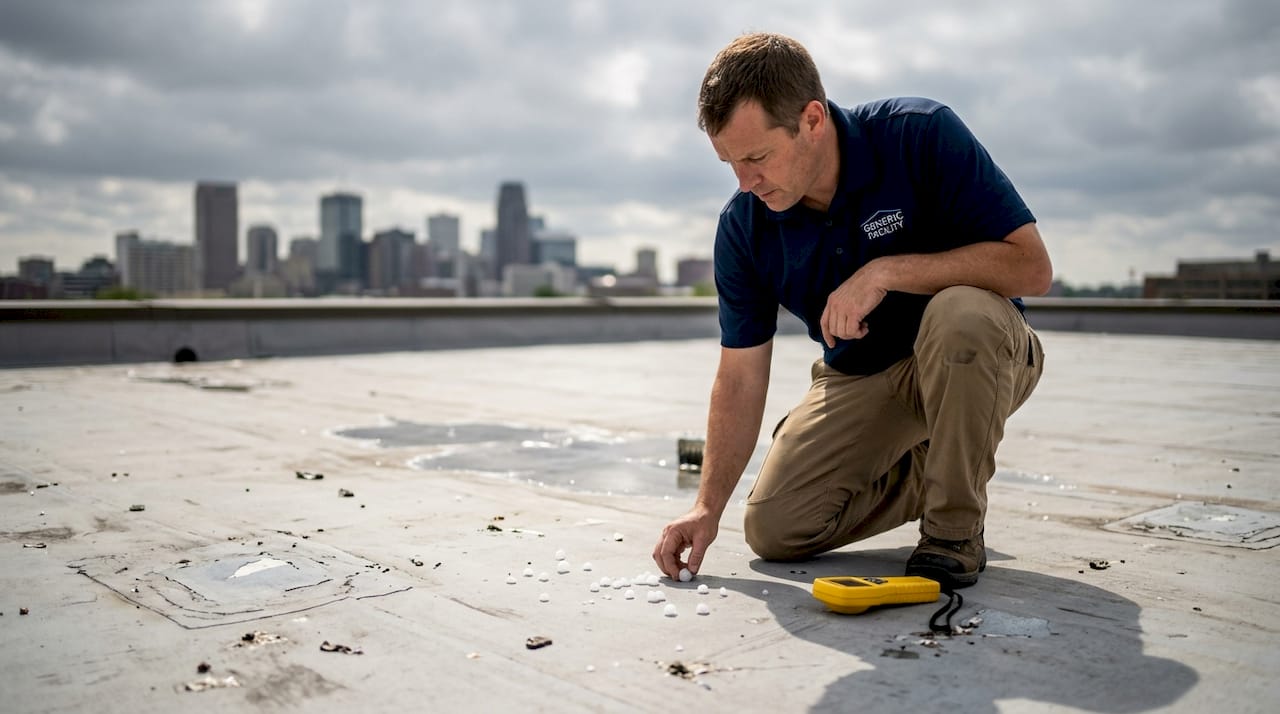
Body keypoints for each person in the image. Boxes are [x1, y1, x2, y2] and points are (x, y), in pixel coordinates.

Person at [652, 32, 1051, 590]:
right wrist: (705, 507)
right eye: (730, 163)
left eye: (757, 158)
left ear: (812, 120)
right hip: (863, 373)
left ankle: (953, 530)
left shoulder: (920, 134)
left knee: (960, 314)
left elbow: (1032, 267)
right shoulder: (744, 226)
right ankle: (945, 462)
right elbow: (740, 376)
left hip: (983, 351)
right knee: (775, 528)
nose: (745, 182)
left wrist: (885, 273)